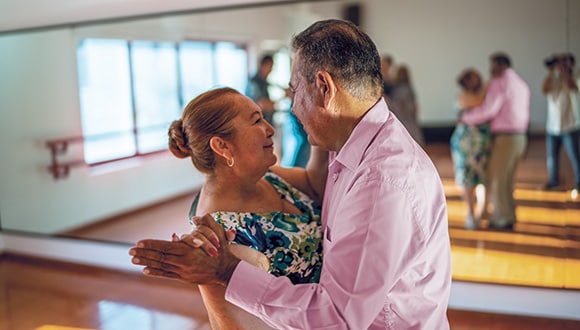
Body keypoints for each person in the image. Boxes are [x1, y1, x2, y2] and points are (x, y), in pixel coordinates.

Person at [130, 19, 452, 329]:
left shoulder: (379, 180)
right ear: (221, 147)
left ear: (324, 88)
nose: (292, 109)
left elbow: (337, 319)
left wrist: (228, 271)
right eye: (256, 121)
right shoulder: (355, 146)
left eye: (295, 90)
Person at [166, 87, 328, 329]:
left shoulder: (267, 177)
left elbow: (315, 184)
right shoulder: (217, 235)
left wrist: (321, 118)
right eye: (256, 121)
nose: (270, 129)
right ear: (222, 146)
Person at [459, 52, 531, 230]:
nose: (489, 70)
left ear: (500, 65)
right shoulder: (520, 83)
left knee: (497, 179)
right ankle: (509, 214)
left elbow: (489, 110)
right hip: (520, 136)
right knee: (507, 180)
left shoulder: (500, 83)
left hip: (505, 137)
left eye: (492, 65)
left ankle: (501, 219)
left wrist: (466, 118)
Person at [449, 68, 491, 230]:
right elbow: (479, 101)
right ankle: (471, 213)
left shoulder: (482, 95)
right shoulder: (463, 97)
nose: (479, 80)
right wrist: (488, 87)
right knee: (467, 178)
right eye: (474, 78)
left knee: (482, 176)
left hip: (481, 143)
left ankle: (483, 210)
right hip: (465, 145)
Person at [541, 54, 580, 193]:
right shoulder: (553, 79)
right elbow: (544, 89)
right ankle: (553, 181)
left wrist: (563, 69)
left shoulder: (576, 76)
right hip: (552, 127)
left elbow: (570, 86)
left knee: (575, 157)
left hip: (570, 126)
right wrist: (552, 70)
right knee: (552, 157)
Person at [388, 64, 426, 147]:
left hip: (403, 123)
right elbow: (415, 108)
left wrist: (387, 100)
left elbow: (397, 107)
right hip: (412, 123)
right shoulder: (409, 88)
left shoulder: (398, 90)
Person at [246, 54, 276, 126]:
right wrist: (283, 97)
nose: (271, 70)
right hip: (258, 125)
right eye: (270, 67)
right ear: (263, 66)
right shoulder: (254, 82)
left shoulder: (264, 82)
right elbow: (262, 104)